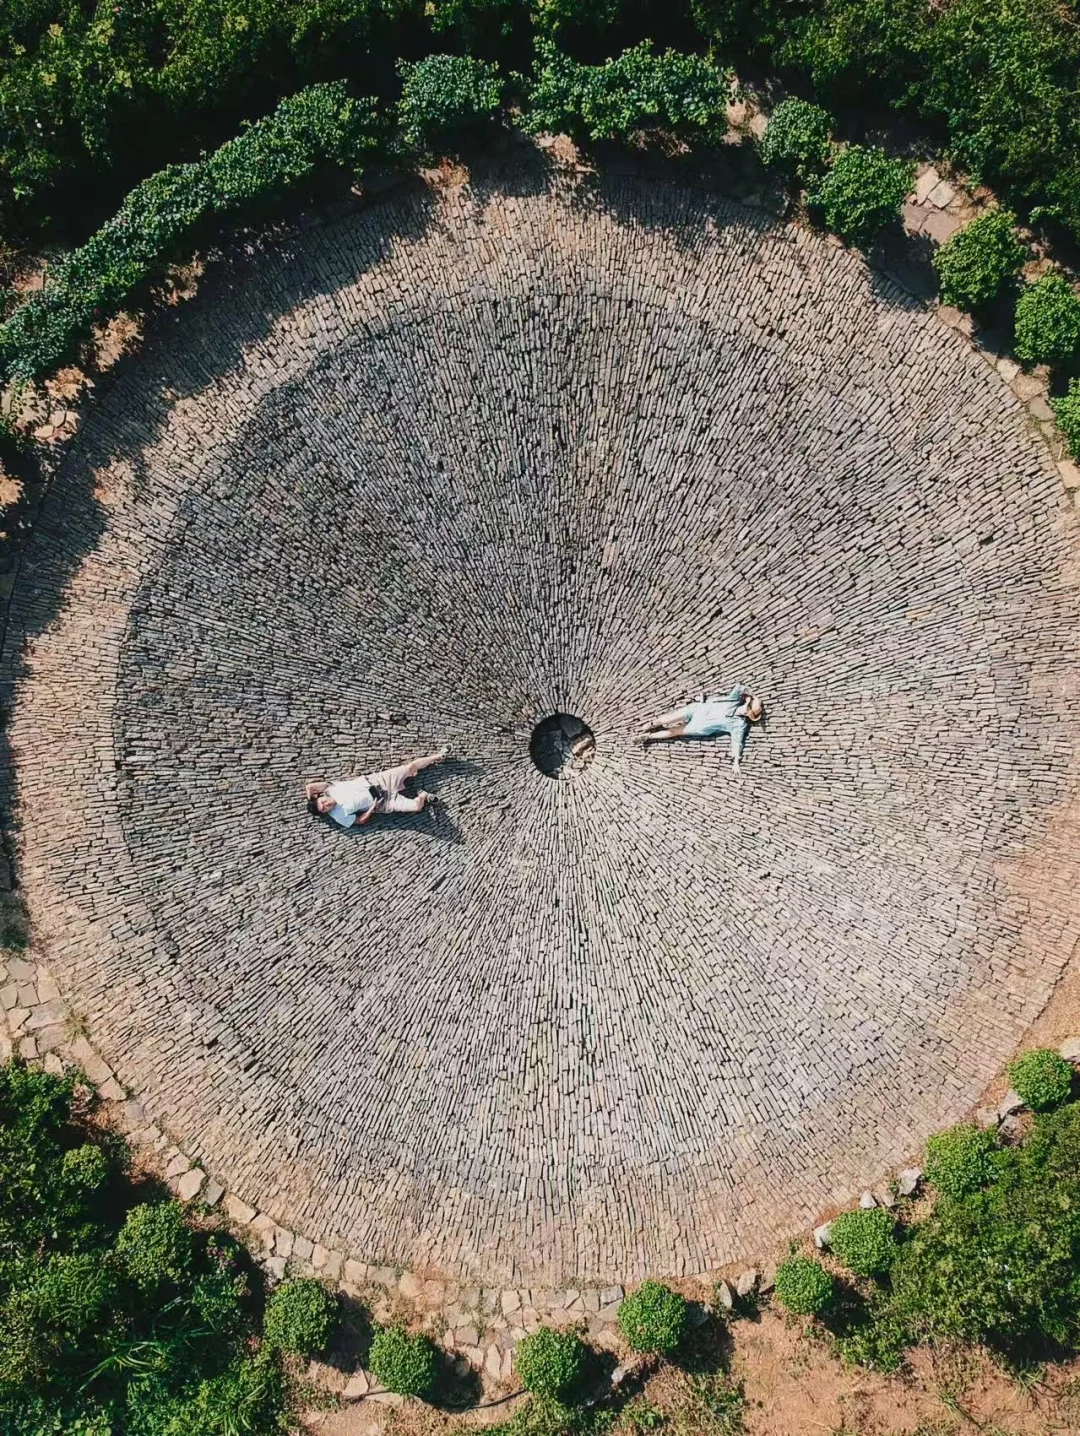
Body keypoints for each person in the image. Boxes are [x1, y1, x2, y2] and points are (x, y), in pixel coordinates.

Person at [638, 685, 764, 774]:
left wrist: (736, 762)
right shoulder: (734, 700)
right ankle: (652, 724)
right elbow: (739, 687)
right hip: (697, 710)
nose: (745, 711)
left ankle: (649, 736)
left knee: (674, 731)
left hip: (700, 726)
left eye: (748, 712)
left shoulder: (739, 724)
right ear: (746, 702)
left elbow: (737, 742)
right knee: (668, 719)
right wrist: (751, 695)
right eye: (747, 707)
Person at [305, 750, 448, 828]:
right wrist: (371, 808)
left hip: (379, 781)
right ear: (326, 813)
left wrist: (311, 800)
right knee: (416, 807)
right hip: (382, 803)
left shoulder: (330, 789)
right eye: (324, 809)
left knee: (410, 767)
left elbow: (309, 787)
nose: (326, 804)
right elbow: (359, 821)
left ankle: (439, 756)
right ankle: (423, 795)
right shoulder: (338, 816)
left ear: (320, 796)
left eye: (322, 802)